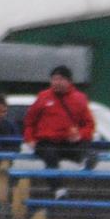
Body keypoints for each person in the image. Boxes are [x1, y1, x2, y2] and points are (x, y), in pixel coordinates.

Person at [21, 65, 96, 197]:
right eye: (54, 79)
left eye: (61, 79)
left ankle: (85, 161)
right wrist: (30, 139)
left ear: (69, 81)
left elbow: (89, 125)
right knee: (50, 156)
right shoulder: (43, 97)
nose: (56, 82)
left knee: (87, 150)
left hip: (68, 142)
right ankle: (57, 189)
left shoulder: (79, 98)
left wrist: (80, 135)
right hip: (47, 142)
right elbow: (29, 122)